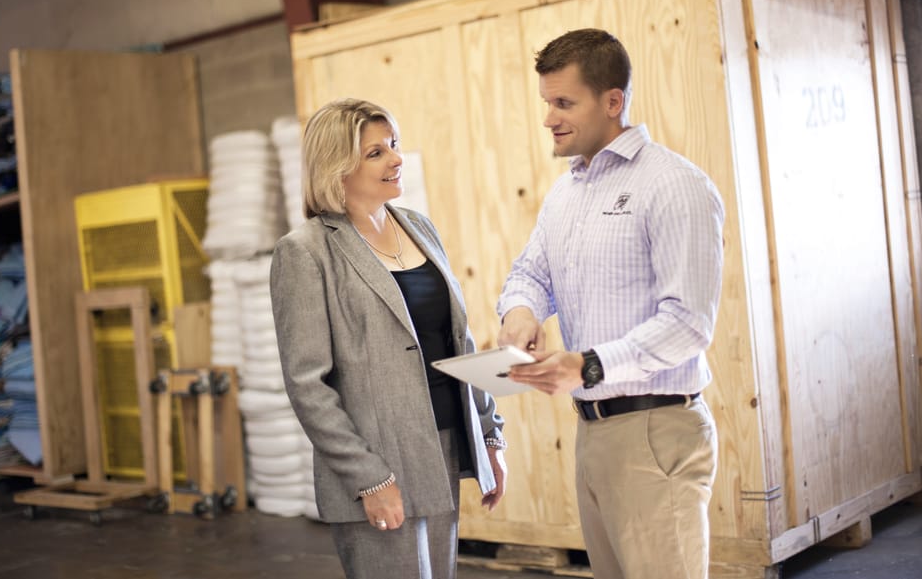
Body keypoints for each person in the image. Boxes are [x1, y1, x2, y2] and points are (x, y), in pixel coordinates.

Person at [497, 28, 724, 579]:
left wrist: (589, 365)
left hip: (655, 431)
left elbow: (688, 324)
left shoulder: (673, 185)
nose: (548, 118)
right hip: (593, 431)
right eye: (547, 102)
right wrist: (521, 312)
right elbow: (530, 272)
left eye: (564, 103)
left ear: (613, 101)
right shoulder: (567, 190)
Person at [270, 98, 507, 579]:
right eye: (375, 152)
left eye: (394, 144)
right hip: (378, 463)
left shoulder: (418, 228)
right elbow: (308, 385)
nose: (396, 159)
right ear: (337, 167)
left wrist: (489, 434)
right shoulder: (305, 251)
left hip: (443, 445)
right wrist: (369, 478)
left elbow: (458, 340)